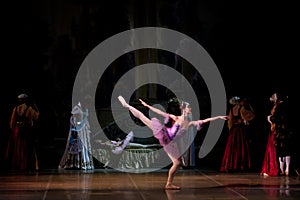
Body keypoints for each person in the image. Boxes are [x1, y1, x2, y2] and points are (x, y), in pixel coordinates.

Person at [118, 95, 228, 190]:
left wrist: (218, 117)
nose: (190, 109)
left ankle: (169, 183)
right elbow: (160, 112)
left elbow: (205, 120)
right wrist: (147, 106)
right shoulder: (176, 118)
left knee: (177, 162)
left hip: (170, 141)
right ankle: (169, 184)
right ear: (184, 109)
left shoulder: (189, 123)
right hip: (165, 136)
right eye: (189, 108)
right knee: (177, 163)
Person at [5, 93, 40, 171]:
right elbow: (36, 117)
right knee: (25, 147)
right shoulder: (29, 108)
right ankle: (24, 165)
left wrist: (13, 130)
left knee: (17, 147)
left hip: (17, 130)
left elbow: (12, 121)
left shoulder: (16, 108)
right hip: (25, 130)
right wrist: (36, 108)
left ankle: (17, 164)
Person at [220, 96, 255, 172]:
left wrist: (231, 128)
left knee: (232, 147)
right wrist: (243, 121)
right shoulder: (241, 109)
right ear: (239, 102)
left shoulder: (231, 110)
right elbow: (250, 116)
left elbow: (230, 121)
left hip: (234, 130)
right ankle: (240, 165)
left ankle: (231, 165)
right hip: (239, 130)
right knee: (241, 146)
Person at [59, 102, 94, 170]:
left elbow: (84, 125)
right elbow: (78, 125)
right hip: (77, 134)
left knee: (82, 148)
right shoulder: (74, 117)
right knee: (76, 147)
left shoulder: (81, 116)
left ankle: (79, 163)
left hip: (82, 134)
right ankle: (74, 163)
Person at [269, 93, 291, 176]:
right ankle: (287, 168)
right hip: (287, 130)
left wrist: (270, 118)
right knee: (287, 149)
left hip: (280, 131)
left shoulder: (279, 107)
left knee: (281, 150)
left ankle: (283, 169)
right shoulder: (287, 106)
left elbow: (275, 118)